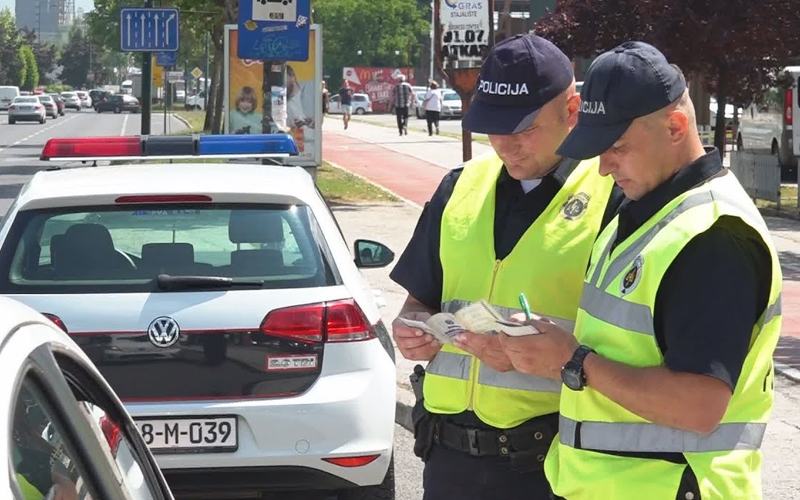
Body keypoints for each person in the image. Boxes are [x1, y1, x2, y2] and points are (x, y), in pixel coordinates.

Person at [498, 41, 782, 500]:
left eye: (616, 147)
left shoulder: (714, 237)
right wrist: (558, 349)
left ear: (675, 126)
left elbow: (699, 406)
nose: (604, 167)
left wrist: (572, 361)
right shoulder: (645, 210)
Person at [390, 34, 624, 500]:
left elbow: (633, 349)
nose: (505, 145)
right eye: (493, 128)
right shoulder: (459, 186)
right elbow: (419, 301)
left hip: (552, 466)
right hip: (448, 459)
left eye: (523, 129)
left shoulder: (613, 199)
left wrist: (551, 359)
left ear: (572, 110)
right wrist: (411, 326)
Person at [286, 65, 314, 130]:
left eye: (284, 79)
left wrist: (313, 119)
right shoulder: (282, 102)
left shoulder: (311, 86)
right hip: (297, 136)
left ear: (292, 77)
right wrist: (292, 123)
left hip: (313, 135)